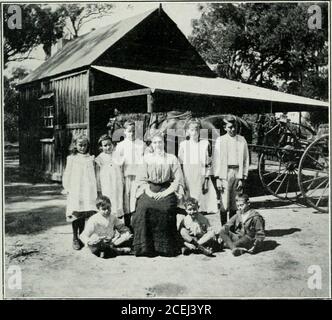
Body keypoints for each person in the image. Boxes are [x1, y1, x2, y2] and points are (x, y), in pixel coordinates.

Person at [132, 130, 184, 257]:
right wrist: (149, 192)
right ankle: (145, 247)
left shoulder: (172, 158)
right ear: (151, 145)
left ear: (164, 143)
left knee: (166, 209)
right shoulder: (146, 158)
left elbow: (178, 179)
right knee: (143, 208)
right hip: (149, 188)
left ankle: (165, 247)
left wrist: (167, 192)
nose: (158, 145)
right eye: (155, 143)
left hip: (167, 188)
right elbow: (141, 179)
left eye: (160, 142)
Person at [62, 134, 98, 250]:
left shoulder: (91, 158)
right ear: (75, 145)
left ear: (88, 146)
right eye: (80, 145)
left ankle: (82, 236)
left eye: (84, 145)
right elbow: (67, 173)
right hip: (76, 189)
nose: (82, 148)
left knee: (84, 212)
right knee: (76, 212)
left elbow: (95, 175)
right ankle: (74, 237)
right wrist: (66, 187)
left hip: (88, 189)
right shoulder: (71, 158)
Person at [213, 115, 249, 225]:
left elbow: (246, 159)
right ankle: (224, 228)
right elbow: (216, 159)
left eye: (234, 127)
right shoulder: (220, 140)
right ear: (225, 128)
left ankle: (232, 229)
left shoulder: (241, 140)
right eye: (230, 127)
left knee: (235, 203)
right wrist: (218, 178)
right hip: (225, 173)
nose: (232, 129)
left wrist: (242, 178)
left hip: (237, 173)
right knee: (224, 204)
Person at [178, 119, 218, 214]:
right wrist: (182, 181)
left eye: (197, 129)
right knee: (189, 201)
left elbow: (208, 164)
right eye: (192, 130)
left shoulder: (205, 144)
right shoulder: (183, 145)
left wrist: (207, 180)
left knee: (201, 201)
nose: (195, 132)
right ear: (187, 131)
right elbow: (180, 164)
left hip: (201, 176)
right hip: (188, 176)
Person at [114, 121, 145, 227]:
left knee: (137, 198)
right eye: (129, 131)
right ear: (124, 132)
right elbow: (117, 163)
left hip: (139, 176)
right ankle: (128, 226)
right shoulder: (121, 145)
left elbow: (146, 159)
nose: (131, 134)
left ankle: (138, 226)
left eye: (133, 131)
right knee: (126, 200)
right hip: (126, 175)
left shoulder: (141, 144)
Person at [95, 134, 124, 218]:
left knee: (118, 201)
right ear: (101, 147)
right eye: (105, 145)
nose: (108, 147)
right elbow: (97, 175)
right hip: (106, 184)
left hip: (117, 183)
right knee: (108, 201)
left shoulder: (117, 155)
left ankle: (117, 224)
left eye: (109, 144)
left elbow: (121, 169)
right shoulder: (100, 158)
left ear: (113, 144)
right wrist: (99, 188)